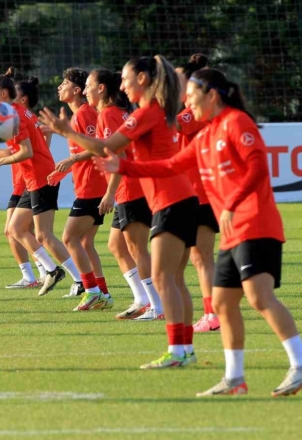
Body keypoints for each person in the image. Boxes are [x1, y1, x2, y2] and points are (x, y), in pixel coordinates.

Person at [96, 68, 302, 397]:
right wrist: (123, 167)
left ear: (212, 96)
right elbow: (168, 166)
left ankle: (299, 364)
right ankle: (235, 378)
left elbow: (258, 167)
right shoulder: (205, 135)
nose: (187, 102)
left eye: (191, 95)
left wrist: (233, 204)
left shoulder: (237, 123)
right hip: (234, 231)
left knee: (260, 297)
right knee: (221, 302)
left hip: (256, 223)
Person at [39, 55, 198, 369]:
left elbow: (107, 145)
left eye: (126, 79)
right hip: (176, 198)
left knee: (165, 277)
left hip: (171, 199)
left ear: (142, 79)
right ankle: (184, 350)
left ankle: (178, 351)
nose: (122, 85)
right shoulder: (152, 112)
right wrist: (121, 167)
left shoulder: (147, 112)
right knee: (174, 279)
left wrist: (65, 131)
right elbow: (124, 154)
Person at [0, 68, 74, 297]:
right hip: (35, 178)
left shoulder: (14, 115)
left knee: (44, 235)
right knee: (15, 229)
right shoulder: (17, 112)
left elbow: (26, 152)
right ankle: (51, 271)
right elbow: (26, 149)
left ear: (2, 93)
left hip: (40, 178)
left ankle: (81, 280)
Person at [84, 68, 162, 321]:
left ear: (102, 88)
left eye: (88, 85)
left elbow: (119, 156)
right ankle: (141, 299)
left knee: (137, 248)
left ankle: (157, 306)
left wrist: (109, 193)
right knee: (116, 245)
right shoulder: (117, 113)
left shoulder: (108, 115)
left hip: (130, 188)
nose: (85, 91)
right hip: (129, 187)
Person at [50, 68, 110, 311]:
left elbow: (99, 148)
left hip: (93, 188)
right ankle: (102, 293)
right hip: (88, 185)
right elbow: (81, 152)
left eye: (64, 83)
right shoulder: (77, 116)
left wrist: (72, 161)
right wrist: (64, 169)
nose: (59, 87)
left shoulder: (84, 114)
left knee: (69, 237)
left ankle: (91, 291)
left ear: (76, 90)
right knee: (85, 243)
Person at [175, 54, 220, 333]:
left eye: (177, 80)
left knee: (201, 256)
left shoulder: (191, 111)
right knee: (199, 256)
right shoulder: (191, 108)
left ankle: (213, 313)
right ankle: (212, 311)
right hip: (197, 191)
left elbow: (176, 124)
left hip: (200, 193)